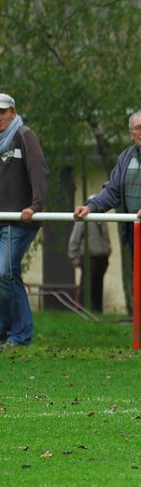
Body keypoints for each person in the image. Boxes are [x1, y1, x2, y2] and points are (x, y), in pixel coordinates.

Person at [74, 111, 141, 348]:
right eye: (137, 128)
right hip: (135, 233)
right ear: (131, 133)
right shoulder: (125, 157)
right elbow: (112, 190)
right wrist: (91, 206)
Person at [0, 93, 47, 347]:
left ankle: (18, 333)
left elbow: (38, 170)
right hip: (1, 218)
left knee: (4, 272)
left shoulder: (24, 135)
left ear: (13, 113)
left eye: (3, 112)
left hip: (18, 220)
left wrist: (36, 205)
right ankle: (11, 333)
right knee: (7, 275)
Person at [68, 195, 112, 313]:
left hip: (102, 257)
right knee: (87, 286)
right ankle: (84, 311)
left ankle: (98, 311)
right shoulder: (83, 221)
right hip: (88, 257)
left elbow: (106, 238)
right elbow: (74, 240)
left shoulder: (102, 220)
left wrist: (108, 251)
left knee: (98, 286)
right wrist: (74, 259)